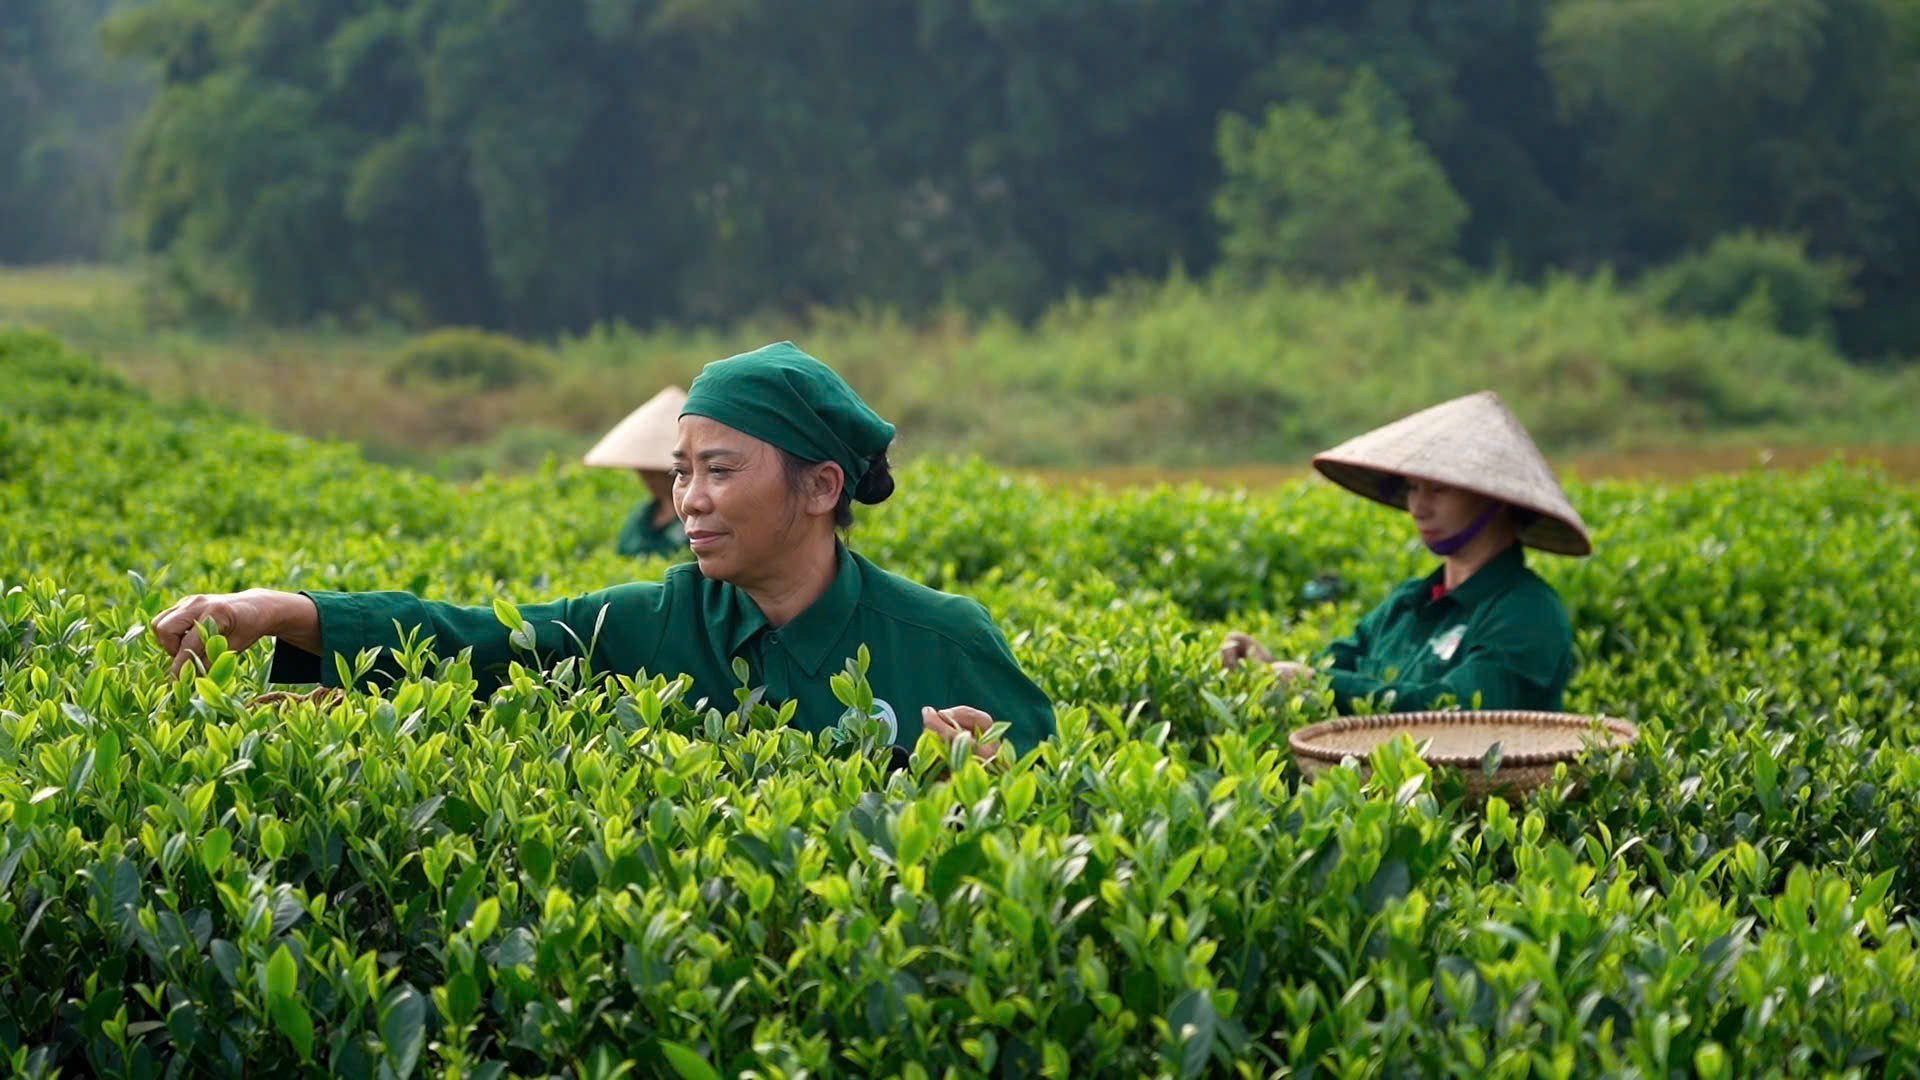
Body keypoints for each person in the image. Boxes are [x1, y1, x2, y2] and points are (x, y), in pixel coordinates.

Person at [152, 342, 1055, 760]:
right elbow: (472, 642)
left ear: (820, 488)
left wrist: (996, 779)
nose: (687, 500)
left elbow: (1077, 823)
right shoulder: (646, 625)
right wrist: (281, 611)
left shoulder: (945, 642)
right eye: (681, 471)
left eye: (720, 471)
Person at [1221, 391, 1590, 713]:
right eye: (1413, 487)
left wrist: (1315, 683)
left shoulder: (1527, 611)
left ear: (1494, 497)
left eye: (1438, 490)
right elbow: (1333, 666)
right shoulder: (1409, 604)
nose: (1418, 507)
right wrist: (1266, 667)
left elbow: (1458, 710)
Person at [584, 385, 690, 558]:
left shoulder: (693, 517)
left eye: (655, 474)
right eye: (644, 473)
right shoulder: (641, 515)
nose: (649, 481)